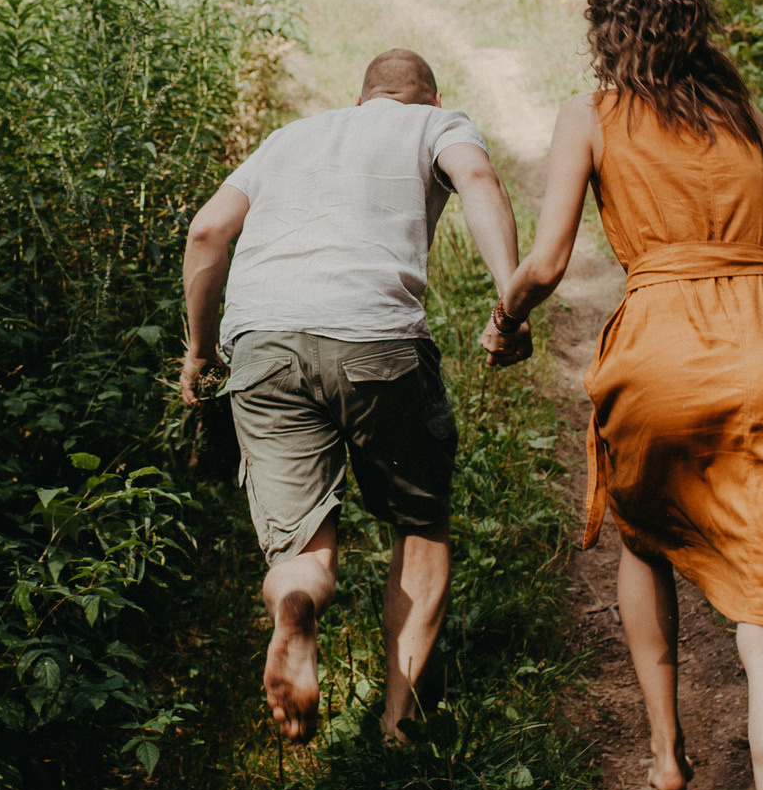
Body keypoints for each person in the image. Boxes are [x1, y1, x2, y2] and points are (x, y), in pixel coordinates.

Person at [484, 0, 763, 790]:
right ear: (696, 33)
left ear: (607, 37)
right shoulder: (742, 114)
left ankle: (667, 749)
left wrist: (504, 323)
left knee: (642, 530)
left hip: (657, 352)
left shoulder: (589, 115)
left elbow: (548, 264)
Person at [180, 48, 526, 745]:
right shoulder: (437, 125)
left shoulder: (289, 138)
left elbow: (207, 231)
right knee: (419, 524)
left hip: (264, 345)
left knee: (302, 550)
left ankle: (298, 601)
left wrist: (200, 348)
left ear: (362, 96)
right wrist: (510, 297)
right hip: (377, 340)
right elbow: (480, 179)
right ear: (430, 98)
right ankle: (402, 723)